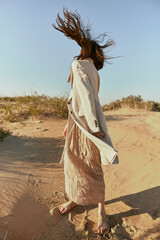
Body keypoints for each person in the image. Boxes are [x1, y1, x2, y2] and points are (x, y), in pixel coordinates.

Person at [52, 8, 119, 235]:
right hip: (82, 123)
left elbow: (88, 99)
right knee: (84, 165)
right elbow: (80, 98)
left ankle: (101, 211)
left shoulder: (79, 65)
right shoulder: (91, 68)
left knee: (86, 165)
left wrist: (92, 127)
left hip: (86, 126)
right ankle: (76, 199)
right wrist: (68, 124)